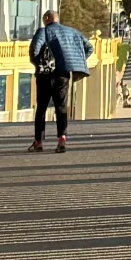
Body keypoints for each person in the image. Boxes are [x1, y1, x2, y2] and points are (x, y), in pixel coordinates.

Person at [27, 9, 91, 154]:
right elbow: (89, 48)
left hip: (45, 75)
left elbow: (34, 51)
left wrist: (39, 64)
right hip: (63, 74)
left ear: (48, 18)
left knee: (41, 108)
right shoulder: (72, 32)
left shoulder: (43, 31)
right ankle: (62, 139)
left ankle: (38, 142)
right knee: (61, 107)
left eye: (44, 19)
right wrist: (75, 61)